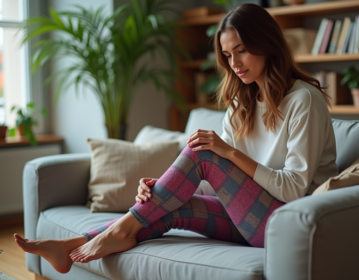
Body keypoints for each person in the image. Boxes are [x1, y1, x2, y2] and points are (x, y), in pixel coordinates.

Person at [14, 3, 339, 274]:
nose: (234, 63)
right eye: (227, 55)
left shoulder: (303, 100)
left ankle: (120, 229)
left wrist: (228, 153)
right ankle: (71, 245)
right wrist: (167, 186)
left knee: (204, 150)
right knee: (172, 204)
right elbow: (219, 185)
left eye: (241, 50)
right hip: (245, 218)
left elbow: (294, 189)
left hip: (282, 224)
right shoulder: (241, 105)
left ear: (267, 43)